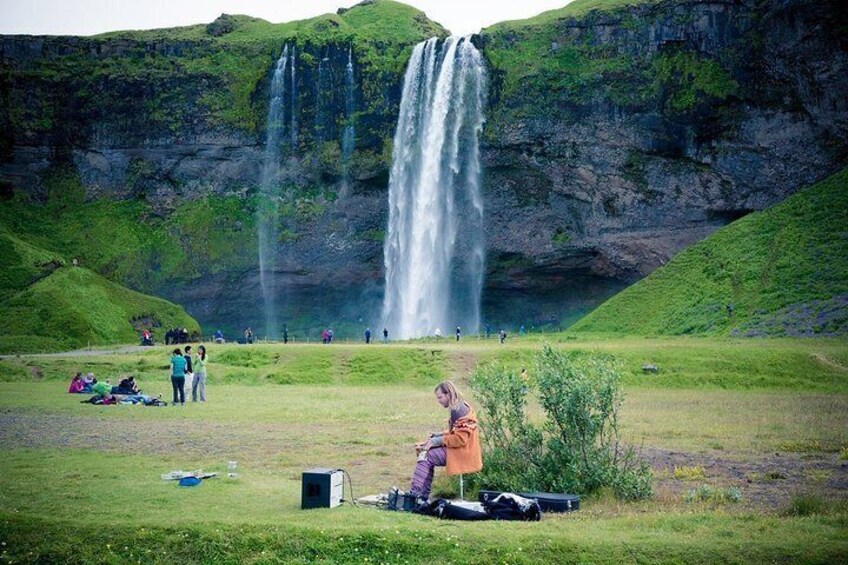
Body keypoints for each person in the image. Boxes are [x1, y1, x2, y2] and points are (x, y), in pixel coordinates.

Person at [409, 381, 483, 501]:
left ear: (448, 394)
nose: (439, 400)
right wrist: (436, 436)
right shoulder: (460, 406)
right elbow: (456, 432)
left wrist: (435, 442)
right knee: (426, 454)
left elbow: (460, 439)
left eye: (440, 397)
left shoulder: (458, 410)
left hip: (463, 454)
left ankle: (416, 495)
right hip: (463, 451)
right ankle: (421, 496)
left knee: (427, 456)